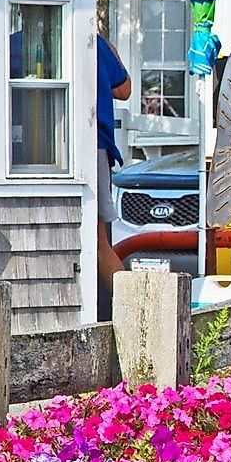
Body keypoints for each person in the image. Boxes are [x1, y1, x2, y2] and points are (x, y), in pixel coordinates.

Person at [94, 33, 133, 289]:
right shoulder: (93, 42)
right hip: (93, 143)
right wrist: (113, 52)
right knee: (98, 243)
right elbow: (124, 89)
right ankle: (140, 310)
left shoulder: (11, 43)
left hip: (27, 153)